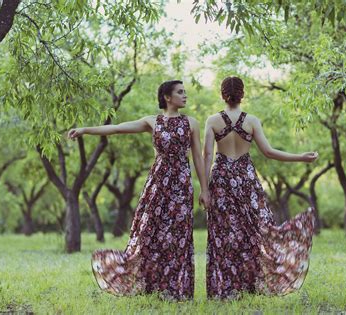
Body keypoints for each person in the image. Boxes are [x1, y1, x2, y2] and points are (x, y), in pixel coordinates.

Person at [68, 80, 210, 301]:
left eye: (185, 92)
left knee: (179, 236)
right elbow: (116, 129)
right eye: (180, 92)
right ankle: (150, 284)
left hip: (181, 185)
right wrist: (86, 130)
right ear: (167, 97)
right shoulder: (151, 122)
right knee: (149, 233)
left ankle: (177, 289)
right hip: (157, 184)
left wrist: (205, 189)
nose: (185, 96)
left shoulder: (192, 123)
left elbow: (199, 159)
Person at [203, 76, 318, 299]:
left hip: (222, 180)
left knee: (223, 233)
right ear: (242, 94)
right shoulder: (252, 121)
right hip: (246, 180)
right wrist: (301, 157)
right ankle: (250, 284)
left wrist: (204, 189)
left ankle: (225, 288)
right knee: (255, 231)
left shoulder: (213, 121)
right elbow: (269, 152)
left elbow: (207, 154)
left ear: (222, 94)